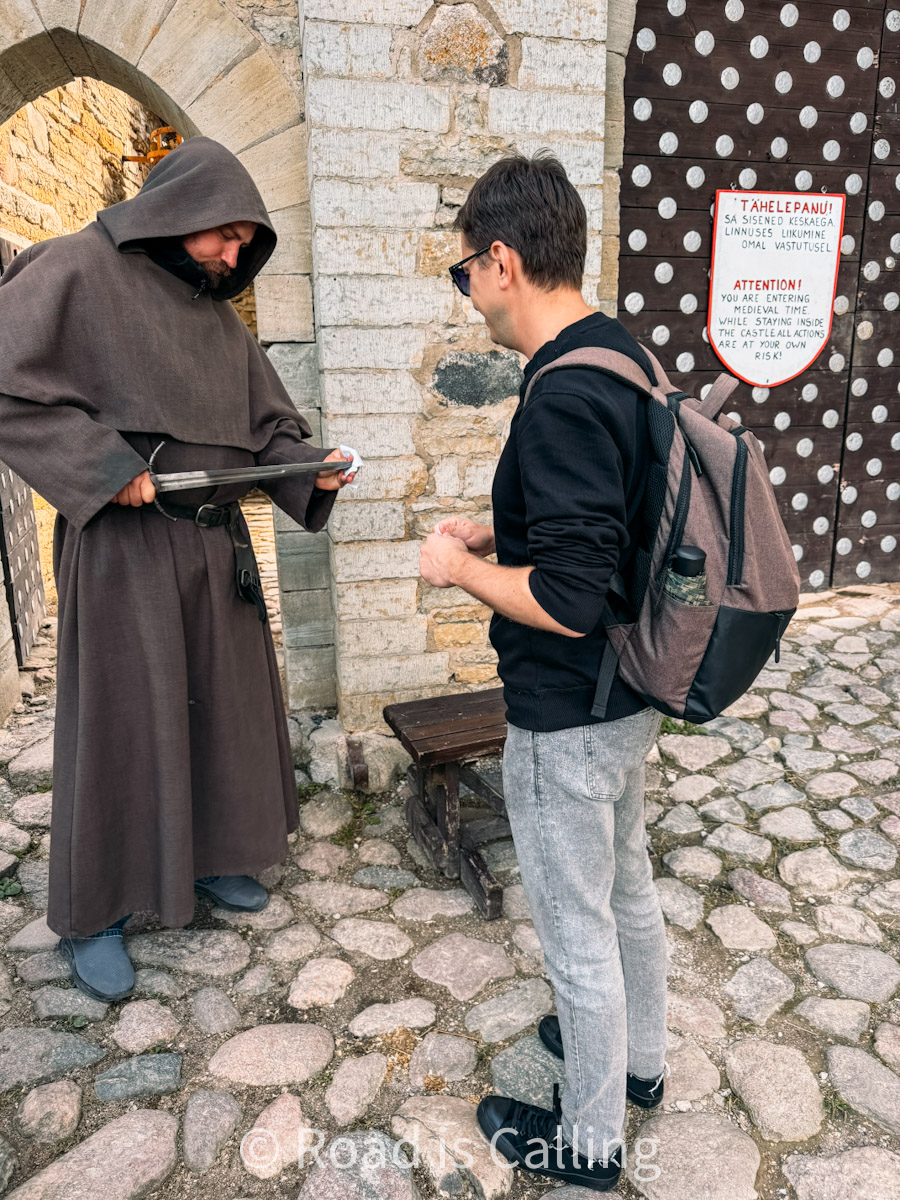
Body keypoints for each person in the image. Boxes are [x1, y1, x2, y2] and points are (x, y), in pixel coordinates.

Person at [0, 136, 355, 1002]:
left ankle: (214, 857)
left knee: (221, 710)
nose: (234, 256)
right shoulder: (74, 271)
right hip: (125, 552)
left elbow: (268, 429)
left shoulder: (217, 323)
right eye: (223, 235)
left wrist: (310, 464)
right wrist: (102, 468)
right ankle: (97, 913)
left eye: (245, 241)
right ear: (176, 212)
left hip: (214, 545)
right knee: (127, 724)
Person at [419, 153, 666, 1192]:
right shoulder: (619, 355)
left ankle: (591, 1144)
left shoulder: (560, 397)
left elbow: (566, 596)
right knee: (630, 894)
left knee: (578, 934)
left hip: (567, 714)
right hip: (631, 692)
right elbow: (598, 531)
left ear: (504, 261)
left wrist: (462, 566)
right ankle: (640, 1069)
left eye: (465, 269)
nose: (468, 289)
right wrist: (506, 525)